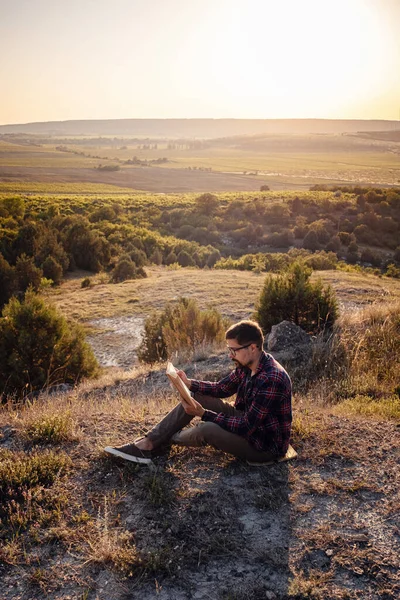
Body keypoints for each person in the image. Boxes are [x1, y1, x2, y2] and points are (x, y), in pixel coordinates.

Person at [104, 320, 292, 465]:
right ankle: (150, 442)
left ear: (252, 347)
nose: (230, 355)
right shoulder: (247, 364)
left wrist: (203, 414)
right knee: (197, 397)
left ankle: (165, 440)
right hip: (247, 421)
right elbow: (222, 388)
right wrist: (188, 383)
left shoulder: (271, 378)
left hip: (264, 445)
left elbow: (245, 426)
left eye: (233, 350)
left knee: (206, 429)